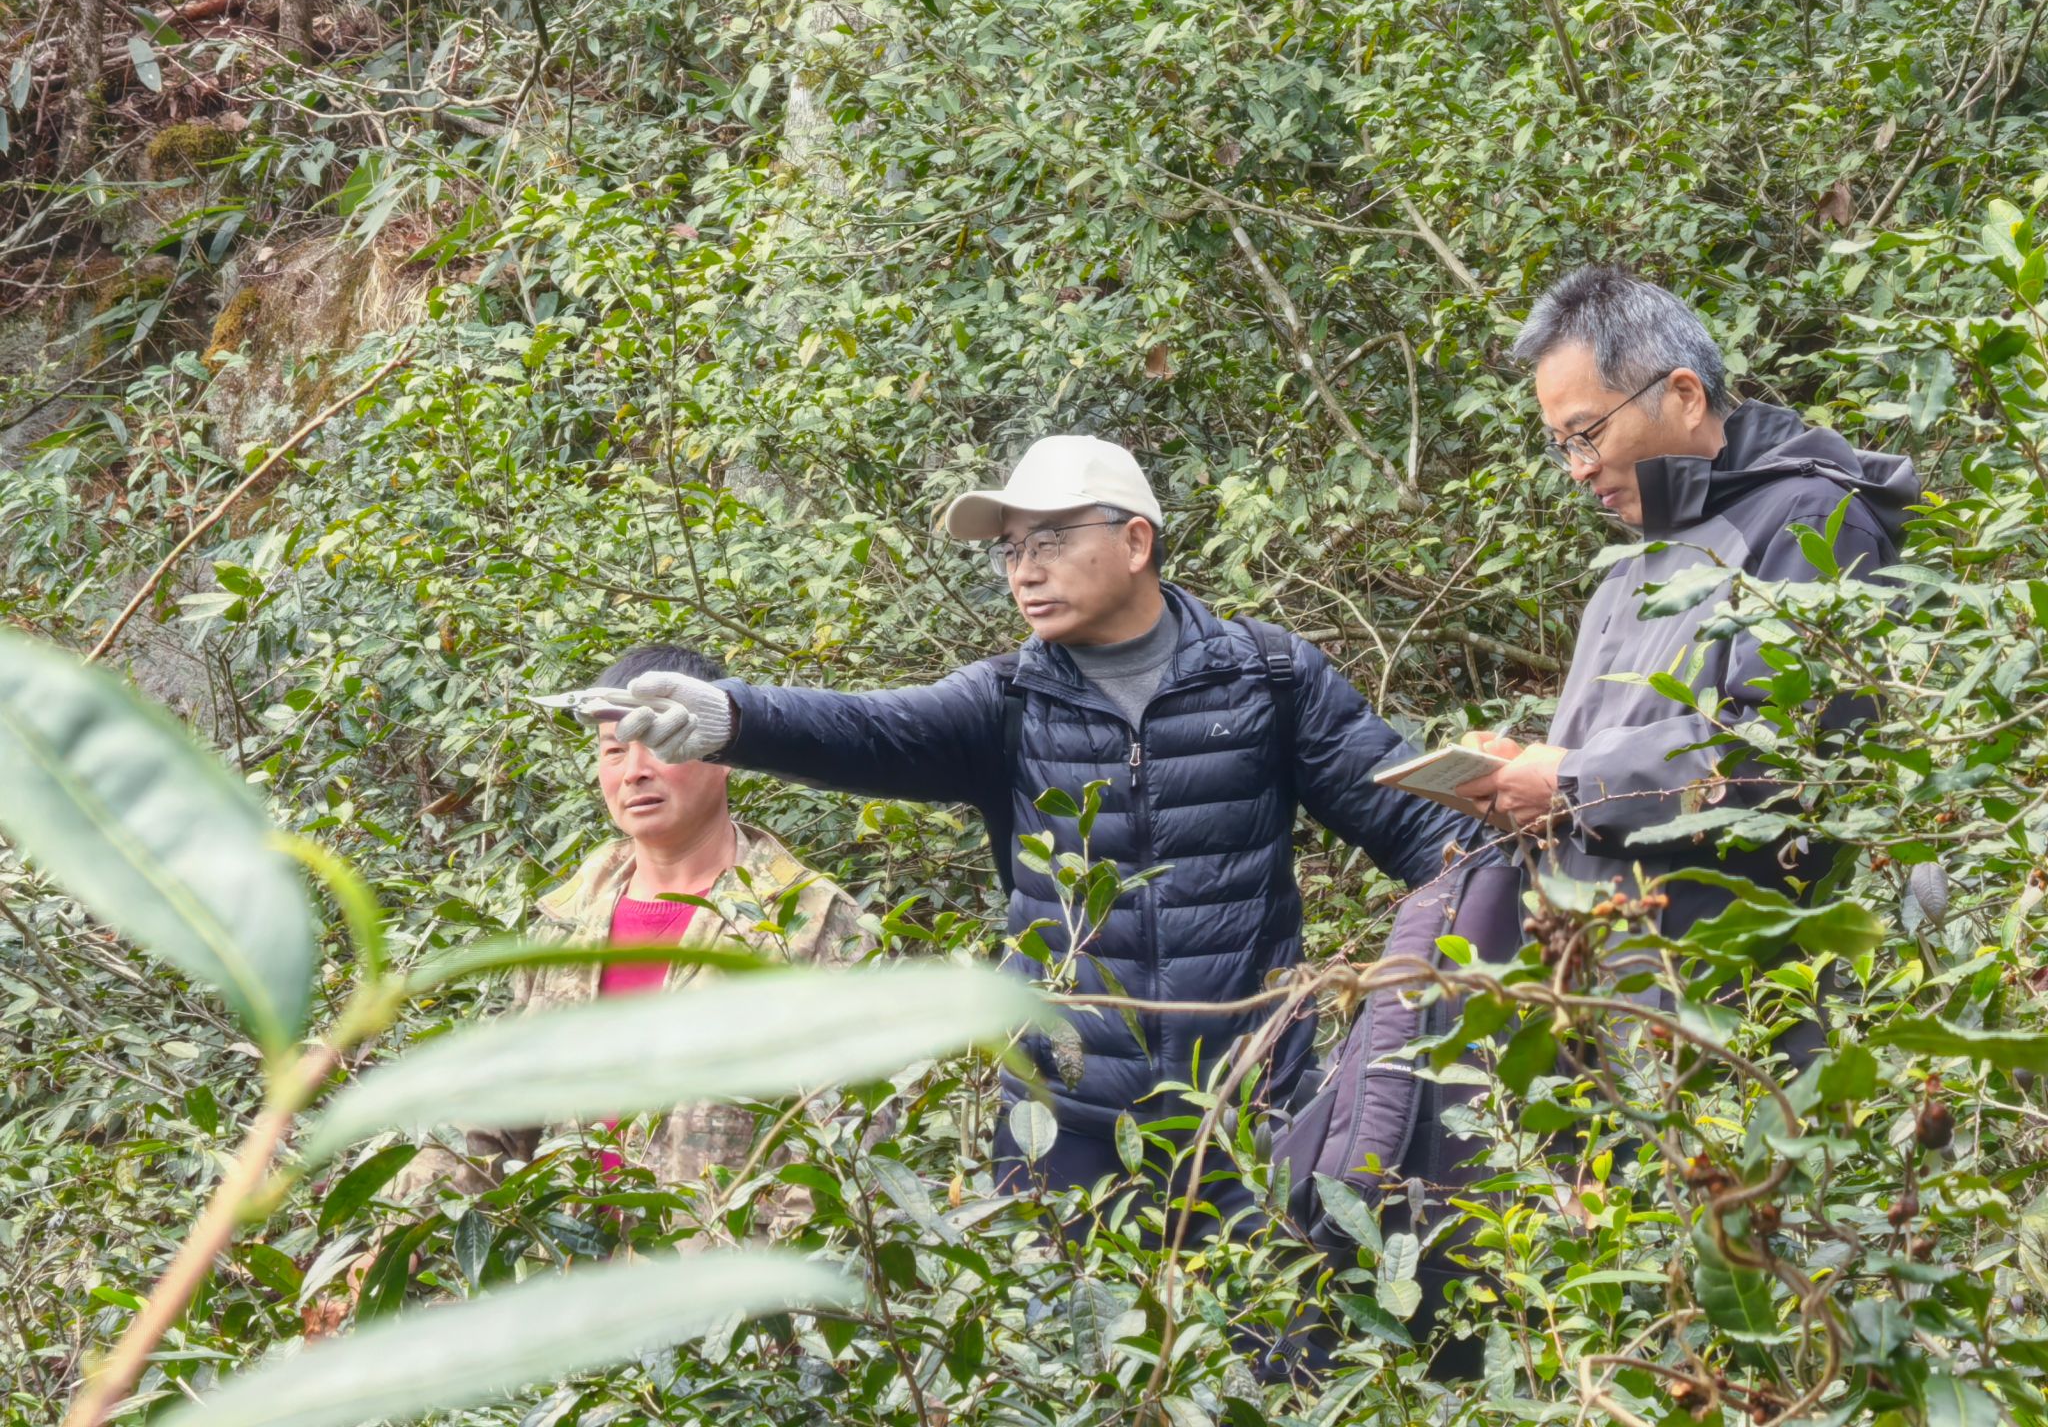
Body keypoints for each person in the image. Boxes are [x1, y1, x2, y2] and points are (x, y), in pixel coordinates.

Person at [607, 435, 1479, 1206]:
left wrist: (1416, 1027)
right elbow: (873, 728)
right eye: (1013, 549)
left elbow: (1429, 840)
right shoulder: (1007, 703)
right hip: (1063, 1134)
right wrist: (733, 717)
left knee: (1273, 1335)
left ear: (1135, 541)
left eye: (1052, 540)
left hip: (1252, 1118)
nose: (1024, 569)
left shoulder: (1270, 680)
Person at [1456, 265, 1921, 945]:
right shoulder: (1629, 570)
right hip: (1597, 970)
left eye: (1588, 433)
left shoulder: (1810, 520)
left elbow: (1791, 761)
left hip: (1724, 977)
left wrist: (1571, 782)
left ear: (1684, 395)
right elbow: (1601, 771)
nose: (1579, 468)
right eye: (1563, 447)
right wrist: (1520, 778)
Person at [393, 642, 866, 1225]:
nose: (634, 771)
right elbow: (495, 1113)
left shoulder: (807, 920)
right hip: (575, 1263)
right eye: (614, 750)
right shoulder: (569, 920)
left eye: (660, 745)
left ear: (723, 752)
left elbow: (842, 1150)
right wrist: (394, 1234)